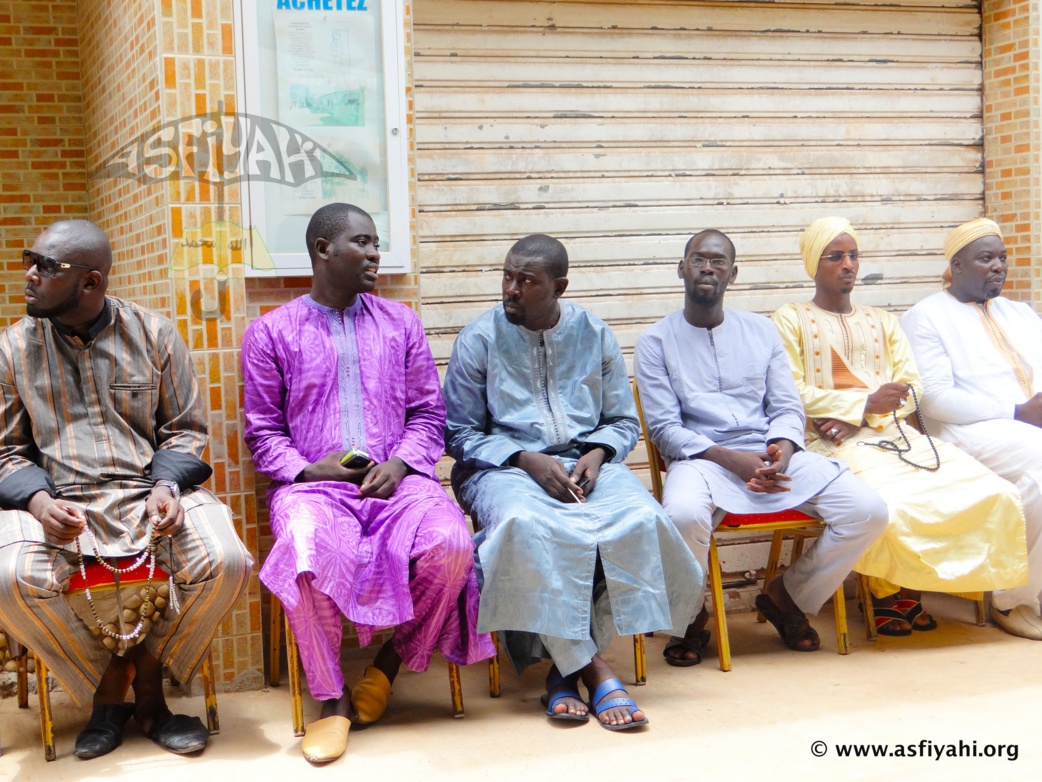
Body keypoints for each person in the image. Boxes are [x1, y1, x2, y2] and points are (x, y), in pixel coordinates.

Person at [242, 203, 493, 763]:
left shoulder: (400, 322)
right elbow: (261, 433)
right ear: (323, 251)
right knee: (305, 550)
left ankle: (388, 665)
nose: (376, 253)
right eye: (363, 242)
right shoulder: (270, 333)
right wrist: (312, 469)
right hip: (313, 489)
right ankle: (331, 701)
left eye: (378, 242)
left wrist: (402, 464)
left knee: (452, 546)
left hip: (399, 482)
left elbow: (430, 415)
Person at [0, 220, 253, 759]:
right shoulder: (12, 349)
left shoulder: (155, 334)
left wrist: (167, 486)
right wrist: (40, 502)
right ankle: (116, 690)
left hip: (149, 491)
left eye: (47, 266)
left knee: (227, 560)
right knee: (6, 579)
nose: (30, 275)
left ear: (90, 283)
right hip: (57, 499)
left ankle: (140, 685)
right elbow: (5, 450)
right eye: (31, 260)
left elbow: (185, 429)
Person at [443, 233, 701, 731]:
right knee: (525, 525)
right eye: (507, 276)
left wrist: (599, 453)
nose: (511, 289)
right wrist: (525, 459)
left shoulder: (594, 333)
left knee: (643, 518)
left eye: (526, 280)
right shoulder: (480, 338)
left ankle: (562, 671)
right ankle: (593, 667)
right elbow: (458, 433)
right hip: (502, 470)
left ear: (558, 286)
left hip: (588, 464)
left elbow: (623, 421)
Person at [634, 228, 888, 663]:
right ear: (682, 269)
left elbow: (787, 407)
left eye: (718, 261)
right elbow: (663, 429)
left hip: (771, 455)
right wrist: (730, 459)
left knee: (868, 511)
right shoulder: (654, 342)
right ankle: (692, 617)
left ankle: (786, 596)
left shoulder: (761, 332)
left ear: (733, 274)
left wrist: (784, 449)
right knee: (680, 514)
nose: (708, 268)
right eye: (698, 259)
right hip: (703, 459)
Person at [771, 217, 1028, 635]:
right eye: (835, 257)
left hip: (892, 434)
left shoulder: (883, 320)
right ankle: (888, 593)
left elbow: (912, 387)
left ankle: (951, 587)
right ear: (814, 265)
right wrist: (862, 404)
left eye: (853, 255)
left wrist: (863, 415)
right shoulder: (789, 318)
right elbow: (789, 389)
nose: (848, 264)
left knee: (990, 490)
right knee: (892, 500)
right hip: (824, 441)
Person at [901, 217, 1042, 640]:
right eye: (986, 258)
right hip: (966, 432)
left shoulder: (1021, 313)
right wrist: (1016, 410)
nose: (998, 266)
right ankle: (1012, 598)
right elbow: (934, 400)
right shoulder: (925, 316)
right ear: (957, 265)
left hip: (1026, 424)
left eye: (1002, 257)